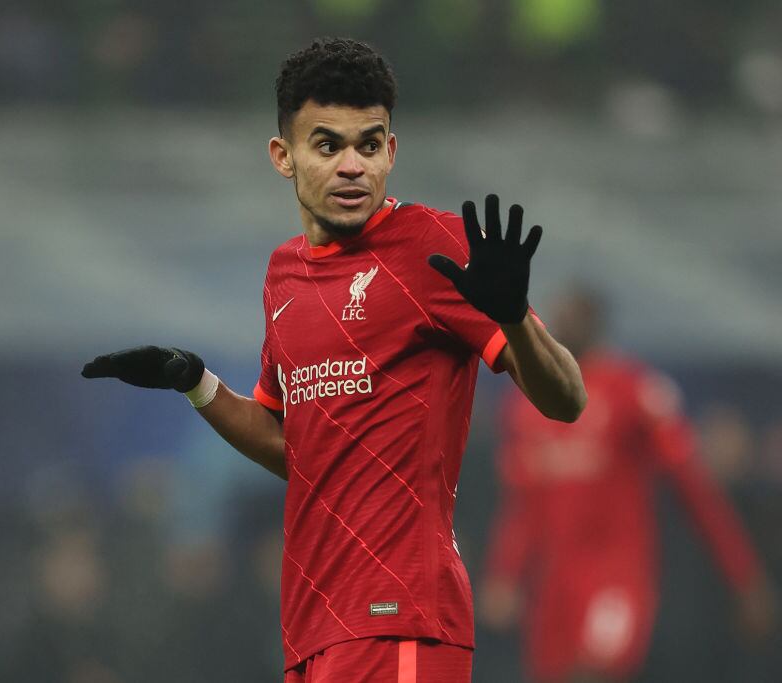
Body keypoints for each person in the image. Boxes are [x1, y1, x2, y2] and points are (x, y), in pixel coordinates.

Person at [82, 37, 587, 682]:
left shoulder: (434, 248)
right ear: (283, 157)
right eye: (328, 146)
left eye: (369, 145)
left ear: (392, 151)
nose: (353, 166)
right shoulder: (283, 276)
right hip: (314, 629)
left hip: (403, 621)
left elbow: (568, 399)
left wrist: (515, 319)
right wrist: (196, 382)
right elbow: (295, 448)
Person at [479, 285, 776, 683]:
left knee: (594, 674)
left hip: (615, 577)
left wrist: (744, 576)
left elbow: (696, 492)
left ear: (595, 324)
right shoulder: (525, 405)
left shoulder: (633, 391)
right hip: (553, 589)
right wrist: (505, 573)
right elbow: (522, 505)